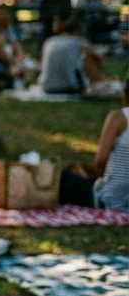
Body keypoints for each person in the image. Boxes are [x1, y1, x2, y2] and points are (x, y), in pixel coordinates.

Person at [60, 79, 129, 212]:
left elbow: (100, 164)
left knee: (61, 179)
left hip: (111, 200)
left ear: (124, 96)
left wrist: (80, 170)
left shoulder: (119, 118)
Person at [40, 14, 104, 94]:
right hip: (69, 88)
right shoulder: (77, 42)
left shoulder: (49, 42)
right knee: (87, 59)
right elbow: (98, 58)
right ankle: (97, 82)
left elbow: (41, 65)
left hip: (46, 87)